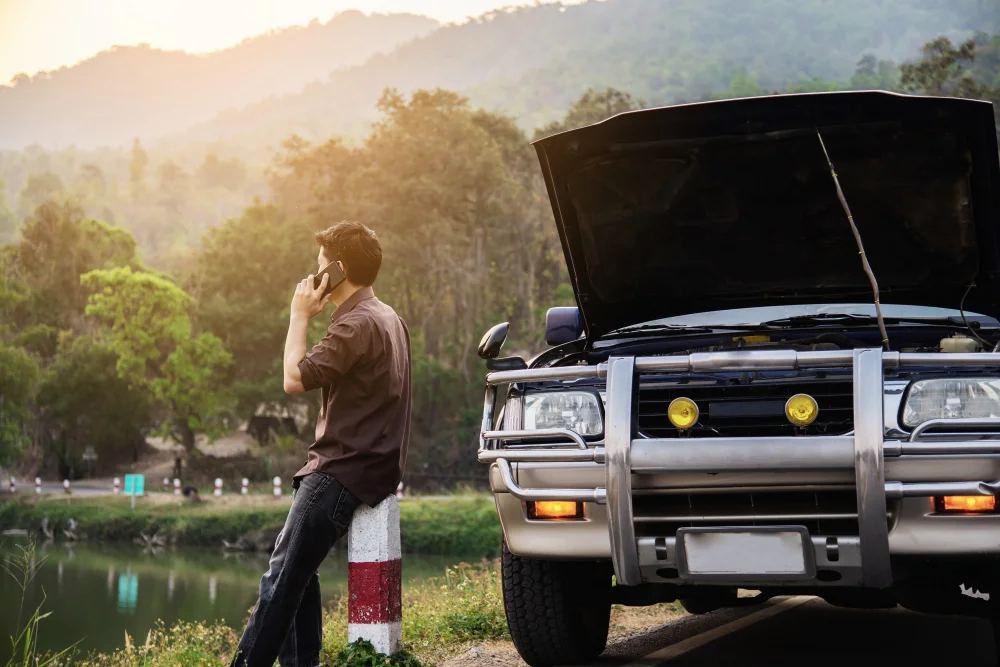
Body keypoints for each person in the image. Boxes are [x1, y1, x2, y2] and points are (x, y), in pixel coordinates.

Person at [230, 221, 411, 667]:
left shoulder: (355, 325)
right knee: (299, 572)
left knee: (280, 580)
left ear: (338, 270)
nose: (314, 275)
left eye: (319, 266)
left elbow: (293, 379)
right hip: (369, 467)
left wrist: (298, 316)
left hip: (340, 470)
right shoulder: (388, 317)